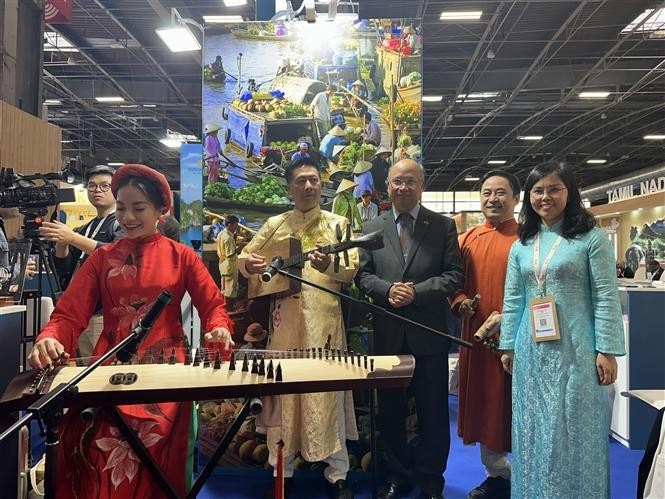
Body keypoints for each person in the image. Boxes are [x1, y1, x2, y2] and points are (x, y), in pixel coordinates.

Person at [27, 163, 234, 499]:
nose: (127, 218)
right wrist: (50, 336)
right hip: (109, 367)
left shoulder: (183, 257)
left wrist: (219, 330)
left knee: (156, 454)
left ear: (161, 212)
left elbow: (214, 308)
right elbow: (69, 313)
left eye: (139, 208)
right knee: (90, 446)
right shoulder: (102, 258)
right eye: (121, 208)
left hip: (165, 373)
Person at [499, 162, 626, 499]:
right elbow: (513, 299)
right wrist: (508, 345)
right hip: (531, 349)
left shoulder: (591, 239)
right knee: (533, 427)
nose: (545, 197)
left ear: (570, 193)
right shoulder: (522, 245)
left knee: (574, 426)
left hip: (577, 348)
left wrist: (608, 350)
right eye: (538, 191)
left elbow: (605, 295)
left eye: (554, 189)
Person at [238, 158, 358, 499]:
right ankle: (282, 471)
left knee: (327, 394)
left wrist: (330, 263)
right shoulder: (275, 225)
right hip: (285, 327)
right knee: (286, 395)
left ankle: (339, 474)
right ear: (290, 188)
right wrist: (250, 263)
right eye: (301, 181)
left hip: (326, 326)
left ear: (321, 185)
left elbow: (351, 270)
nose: (308, 187)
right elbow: (243, 260)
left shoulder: (338, 224)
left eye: (314, 180)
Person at [357, 159, 464, 499]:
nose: (403, 188)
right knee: (390, 412)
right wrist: (387, 290)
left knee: (434, 414)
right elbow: (362, 275)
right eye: (396, 182)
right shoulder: (373, 225)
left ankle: (431, 480)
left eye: (410, 182)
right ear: (387, 186)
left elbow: (454, 276)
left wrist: (417, 291)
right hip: (389, 336)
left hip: (429, 335)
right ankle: (396, 476)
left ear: (422, 185)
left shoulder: (443, 226)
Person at [448, 171, 521, 499]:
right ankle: (497, 475)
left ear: (516, 199)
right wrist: (460, 302)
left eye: (501, 192)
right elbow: (453, 282)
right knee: (484, 408)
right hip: (476, 340)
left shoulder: (529, 238)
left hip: (520, 340)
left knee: (518, 406)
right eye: (487, 192)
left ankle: (530, 475)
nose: (493, 199)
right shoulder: (467, 239)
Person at [39, 165, 123, 357]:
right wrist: (62, 245)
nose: (97, 191)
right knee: (82, 365)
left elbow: (116, 254)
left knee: (98, 365)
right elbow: (65, 270)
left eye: (104, 186)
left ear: (116, 190)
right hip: (81, 311)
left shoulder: (120, 222)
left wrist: (73, 238)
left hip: (103, 312)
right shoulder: (86, 227)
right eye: (92, 186)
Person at [216, 215, 239, 301]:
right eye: (235, 226)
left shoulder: (221, 234)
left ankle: (224, 307)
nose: (236, 228)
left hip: (223, 265)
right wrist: (240, 248)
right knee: (230, 291)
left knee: (224, 289)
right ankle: (229, 309)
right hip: (230, 267)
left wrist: (234, 238)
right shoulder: (228, 238)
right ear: (230, 225)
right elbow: (230, 255)